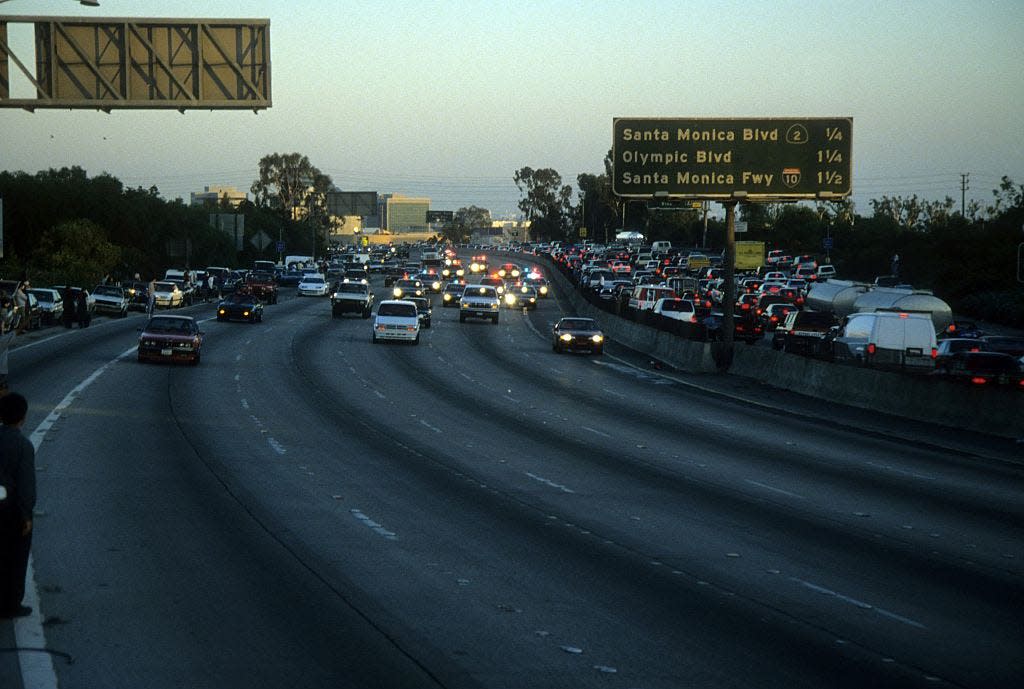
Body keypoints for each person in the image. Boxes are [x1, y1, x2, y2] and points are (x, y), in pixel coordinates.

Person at [0, 392, 35, 618]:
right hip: (9, 512)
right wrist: (26, 515)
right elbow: (25, 486)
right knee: (14, 557)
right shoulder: (23, 445)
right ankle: (11, 603)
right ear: (22, 418)